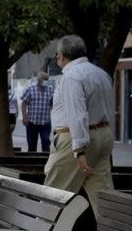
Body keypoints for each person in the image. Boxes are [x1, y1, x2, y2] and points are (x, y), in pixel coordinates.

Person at [45, 35, 114, 218]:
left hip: (76, 139)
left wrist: (80, 151)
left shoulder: (71, 77)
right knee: (103, 200)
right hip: (103, 135)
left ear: (61, 55)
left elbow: (77, 114)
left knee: (52, 199)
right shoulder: (100, 73)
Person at [21, 72, 53, 152]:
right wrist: (24, 117)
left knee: (46, 143)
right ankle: (32, 160)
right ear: (38, 80)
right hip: (32, 122)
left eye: (46, 80)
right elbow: (24, 103)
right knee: (31, 144)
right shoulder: (30, 89)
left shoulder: (50, 90)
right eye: (43, 80)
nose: (45, 81)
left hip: (45, 122)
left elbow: (53, 104)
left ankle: (45, 162)